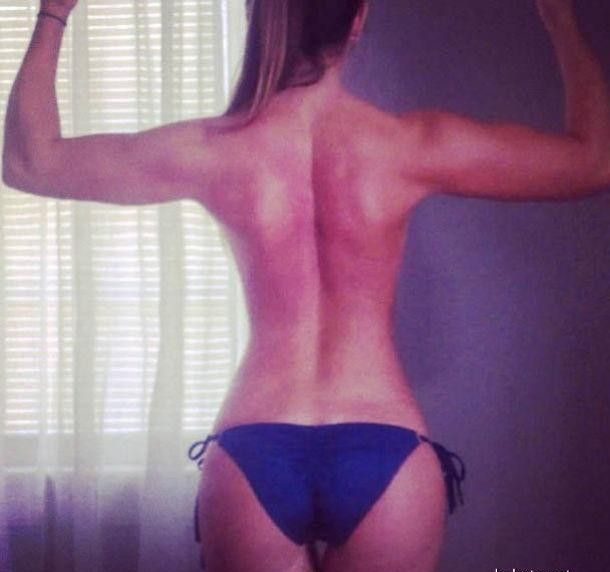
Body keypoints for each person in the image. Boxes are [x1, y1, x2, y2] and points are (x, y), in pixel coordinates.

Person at [3, 0, 609, 570]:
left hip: (256, 446)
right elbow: (595, 161)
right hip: (383, 442)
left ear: (258, 15)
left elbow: (30, 162)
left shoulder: (214, 150)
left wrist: (55, 11)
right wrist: (557, 15)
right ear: (358, 17)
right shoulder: (409, 144)